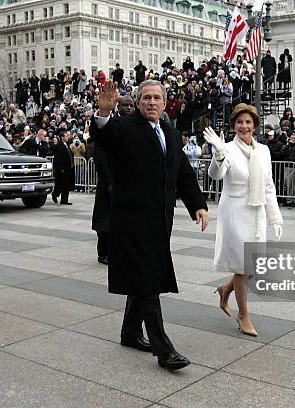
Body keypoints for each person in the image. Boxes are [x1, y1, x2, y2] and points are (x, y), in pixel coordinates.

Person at [89, 80, 209, 371]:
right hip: (131, 220)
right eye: (146, 98)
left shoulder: (170, 132)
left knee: (142, 277)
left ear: (165, 103)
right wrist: (103, 114)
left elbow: (181, 172)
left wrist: (198, 205)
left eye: (157, 98)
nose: (151, 102)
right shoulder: (125, 128)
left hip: (159, 221)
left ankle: (130, 332)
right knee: (148, 280)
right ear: (139, 102)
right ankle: (163, 349)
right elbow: (104, 138)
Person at [204, 104, 283, 338]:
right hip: (235, 214)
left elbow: (268, 187)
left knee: (252, 266)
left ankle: (225, 289)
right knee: (243, 266)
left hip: (256, 213)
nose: (244, 126)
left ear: (255, 126)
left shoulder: (264, 151)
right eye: (240, 122)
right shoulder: (226, 148)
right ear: (234, 125)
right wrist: (218, 155)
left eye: (248, 122)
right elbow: (215, 175)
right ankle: (244, 315)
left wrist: (275, 218)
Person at [92, 95, 135, 264]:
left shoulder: (135, 127)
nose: (129, 108)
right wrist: (109, 182)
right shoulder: (110, 126)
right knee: (106, 221)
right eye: (126, 105)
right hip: (109, 183)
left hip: (127, 184)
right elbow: (100, 156)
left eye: (132, 105)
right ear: (118, 107)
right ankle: (103, 253)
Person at [51, 131, 75, 205]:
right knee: (60, 184)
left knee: (66, 185)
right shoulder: (59, 145)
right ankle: (55, 194)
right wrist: (60, 169)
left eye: (68, 136)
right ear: (62, 137)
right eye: (66, 136)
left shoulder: (66, 145)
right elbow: (57, 158)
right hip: (62, 169)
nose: (67, 137)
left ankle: (64, 200)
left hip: (68, 168)